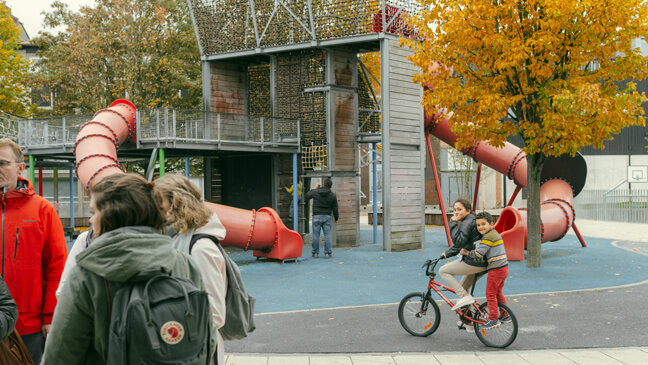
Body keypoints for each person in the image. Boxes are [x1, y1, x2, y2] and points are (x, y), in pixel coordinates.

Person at [42, 173, 208, 364]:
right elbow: (205, 337)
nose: (90, 220)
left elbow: (60, 354)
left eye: (93, 212)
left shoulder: (87, 275)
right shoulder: (186, 264)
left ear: (111, 216)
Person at [0, 138, 67, 364]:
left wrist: (49, 316)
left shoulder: (41, 209)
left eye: (2, 163)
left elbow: (57, 266)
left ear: (20, 167)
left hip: (28, 325)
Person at [156, 175, 228, 365]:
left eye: (159, 204)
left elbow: (214, 314)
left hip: (198, 350)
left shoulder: (201, 248)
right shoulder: (177, 240)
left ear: (175, 204)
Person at [460, 211, 509, 329]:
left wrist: (466, 252)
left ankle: (493, 319)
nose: (480, 227)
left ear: (491, 224)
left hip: (496, 269)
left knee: (490, 294)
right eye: (478, 225)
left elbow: (479, 253)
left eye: (483, 224)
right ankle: (505, 315)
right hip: (504, 268)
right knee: (498, 293)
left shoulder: (489, 236)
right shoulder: (494, 234)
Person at [438, 198, 486, 313]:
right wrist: (446, 254)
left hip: (475, 262)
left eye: (459, 209)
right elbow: (462, 244)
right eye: (454, 210)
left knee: (443, 271)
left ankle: (465, 297)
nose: (456, 212)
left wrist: (452, 223)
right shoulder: (471, 221)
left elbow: (458, 241)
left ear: (468, 211)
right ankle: (468, 321)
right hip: (482, 262)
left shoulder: (467, 222)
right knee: (463, 287)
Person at [305, 178, 339, 259]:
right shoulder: (333, 195)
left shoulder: (316, 192)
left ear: (323, 184)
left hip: (316, 215)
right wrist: (336, 218)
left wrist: (314, 188)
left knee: (315, 235)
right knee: (327, 234)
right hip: (327, 216)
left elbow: (307, 196)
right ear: (331, 186)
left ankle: (315, 253)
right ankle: (327, 253)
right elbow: (335, 208)